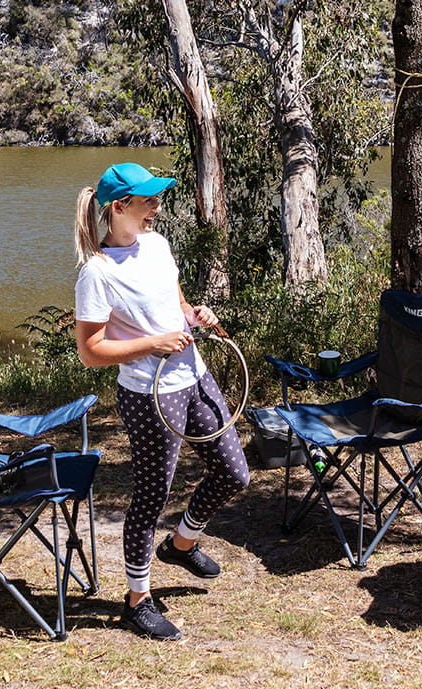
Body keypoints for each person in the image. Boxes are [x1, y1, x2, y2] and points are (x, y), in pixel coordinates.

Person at [72, 162, 251, 641]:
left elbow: (175, 304)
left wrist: (195, 315)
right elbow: (91, 352)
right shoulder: (97, 273)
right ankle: (136, 600)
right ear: (119, 207)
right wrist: (150, 344)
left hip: (193, 374)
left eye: (156, 198)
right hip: (150, 396)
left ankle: (182, 542)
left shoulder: (157, 245)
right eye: (148, 200)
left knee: (235, 472)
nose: (156, 207)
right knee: (151, 495)